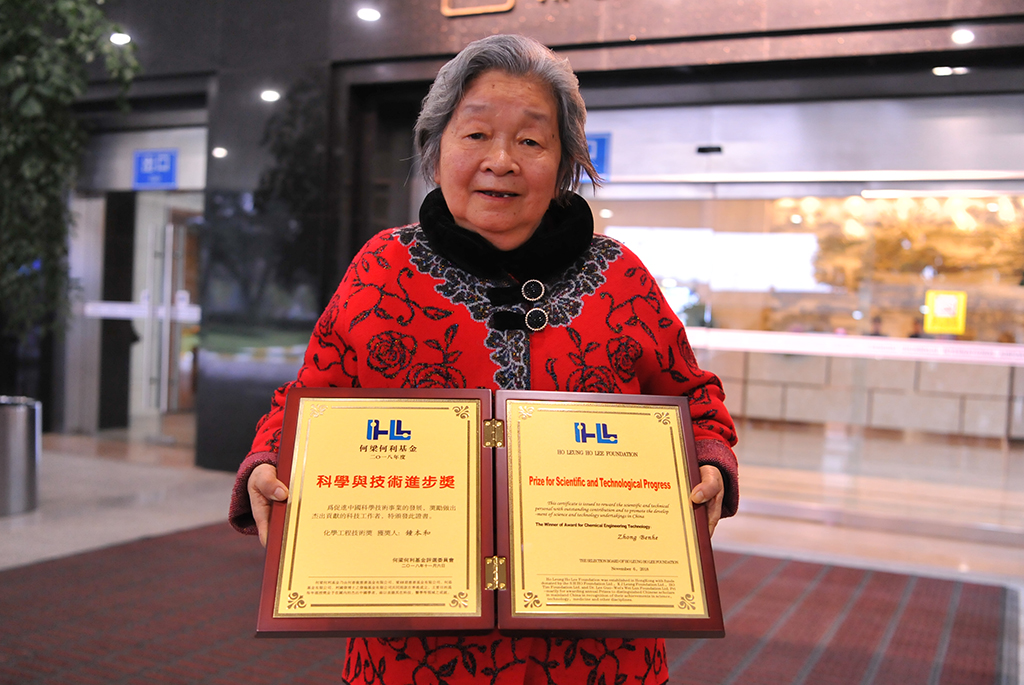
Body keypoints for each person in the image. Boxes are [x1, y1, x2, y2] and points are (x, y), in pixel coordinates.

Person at [229, 34, 738, 685]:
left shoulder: (620, 275)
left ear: (564, 161)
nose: (501, 160)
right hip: (415, 647)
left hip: (598, 645)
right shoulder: (383, 268)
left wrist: (708, 460)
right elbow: (308, 401)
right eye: (475, 135)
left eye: (531, 140)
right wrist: (268, 461)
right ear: (436, 148)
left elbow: (695, 398)